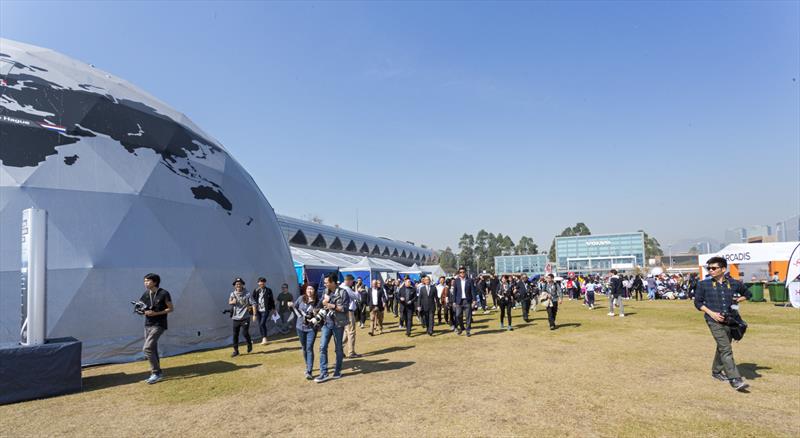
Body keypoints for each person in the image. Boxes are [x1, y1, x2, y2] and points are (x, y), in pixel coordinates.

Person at [694, 256, 752, 391]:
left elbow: (748, 294)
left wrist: (737, 300)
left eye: (714, 268)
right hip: (713, 321)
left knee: (722, 347)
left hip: (731, 320)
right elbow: (698, 303)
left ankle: (716, 372)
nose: (711, 270)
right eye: (709, 268)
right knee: (726, 348)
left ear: (723, 269)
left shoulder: (734, 283)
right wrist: (711, 313)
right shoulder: (703, 284)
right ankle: (735, 379)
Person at [140, 273, 173, 384]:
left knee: (147, 348)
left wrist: (157, 313)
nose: (145, 283)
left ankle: (156, 372)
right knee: (152, 349)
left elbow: (170, 308)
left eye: (148, 281)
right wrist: (144, 311)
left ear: (155, 282)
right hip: (148, 324)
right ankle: (157, 374)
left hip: (159, 324)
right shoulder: (145, 294)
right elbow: (141, 307)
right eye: (144, 281)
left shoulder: (164, 293)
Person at [316, 274, 349, 382]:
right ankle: (323, 373)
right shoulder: (325, 292)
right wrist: (316, 309)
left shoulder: (343, 293)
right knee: (322, 347)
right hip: (326, 323)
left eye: (326, 282)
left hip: (338, 324)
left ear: (333, 282)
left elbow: (344, 308)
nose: (325, 284)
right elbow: (321, 303)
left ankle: (337, 370)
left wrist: (331, 305)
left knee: (338, 348)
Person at [288, 285, 319, 380]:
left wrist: (315, 312)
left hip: (312, 328)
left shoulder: (318, 301)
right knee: (304, 348)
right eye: (308, 288)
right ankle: (307, 365)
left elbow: (320, 313)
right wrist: (290, 306)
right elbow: (294, 308)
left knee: (309, 348)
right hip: (300, 327)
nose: (309, 290)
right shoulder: (301, 298)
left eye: (311, 289)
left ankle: (309, 370)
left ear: (315, 290)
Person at [229, 277, 257, 357]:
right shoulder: (233, 294)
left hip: (245, 317)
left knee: (245, 333)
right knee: (235, 335)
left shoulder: (247, 293)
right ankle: (236, 351)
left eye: (240, 284)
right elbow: (229, 301)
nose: (238, 285)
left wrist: (254, 315)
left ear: (242, 285)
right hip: (236, 317)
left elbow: (254, 304)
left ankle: (249, 344)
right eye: (237, 284)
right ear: (235, 285)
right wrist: (232, 302)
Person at [340, 275, 361, 359]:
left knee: (346, 331)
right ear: (349, 281)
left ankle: (339, 349)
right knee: (351, 332)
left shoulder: (340, 287)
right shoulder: (347, 288)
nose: (353, 283)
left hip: (342, 311)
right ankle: (351, 352)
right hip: (348, 311)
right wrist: (357, 289)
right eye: (352, 281)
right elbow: (357, 297)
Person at [451, 267, 476, 336]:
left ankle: (468, 331)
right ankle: (462, 327)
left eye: (463, 272)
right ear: (459, 273)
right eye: (460, 272)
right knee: (458, 315)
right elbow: (454, 292)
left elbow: (473, 291)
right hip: (459, 301)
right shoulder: (456, 281)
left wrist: (474, 300)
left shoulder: (470, 280)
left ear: (465, 273)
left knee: (468, 316)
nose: (462, 273)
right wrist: (453, 301)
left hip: (467, 301)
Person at [252, 277, 276, 345]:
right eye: (260, 282)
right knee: (260, 324)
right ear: (258, 283)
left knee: (262, 323)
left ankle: (264, 338)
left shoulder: (268, 290)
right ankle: (263, 339)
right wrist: (253, 311)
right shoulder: (256, 290)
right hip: (258, 310)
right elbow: (253, 300)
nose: (261, 283)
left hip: (265, 310)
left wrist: (273, 309)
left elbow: (271, 300)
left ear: (265, 283)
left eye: (263, 282)